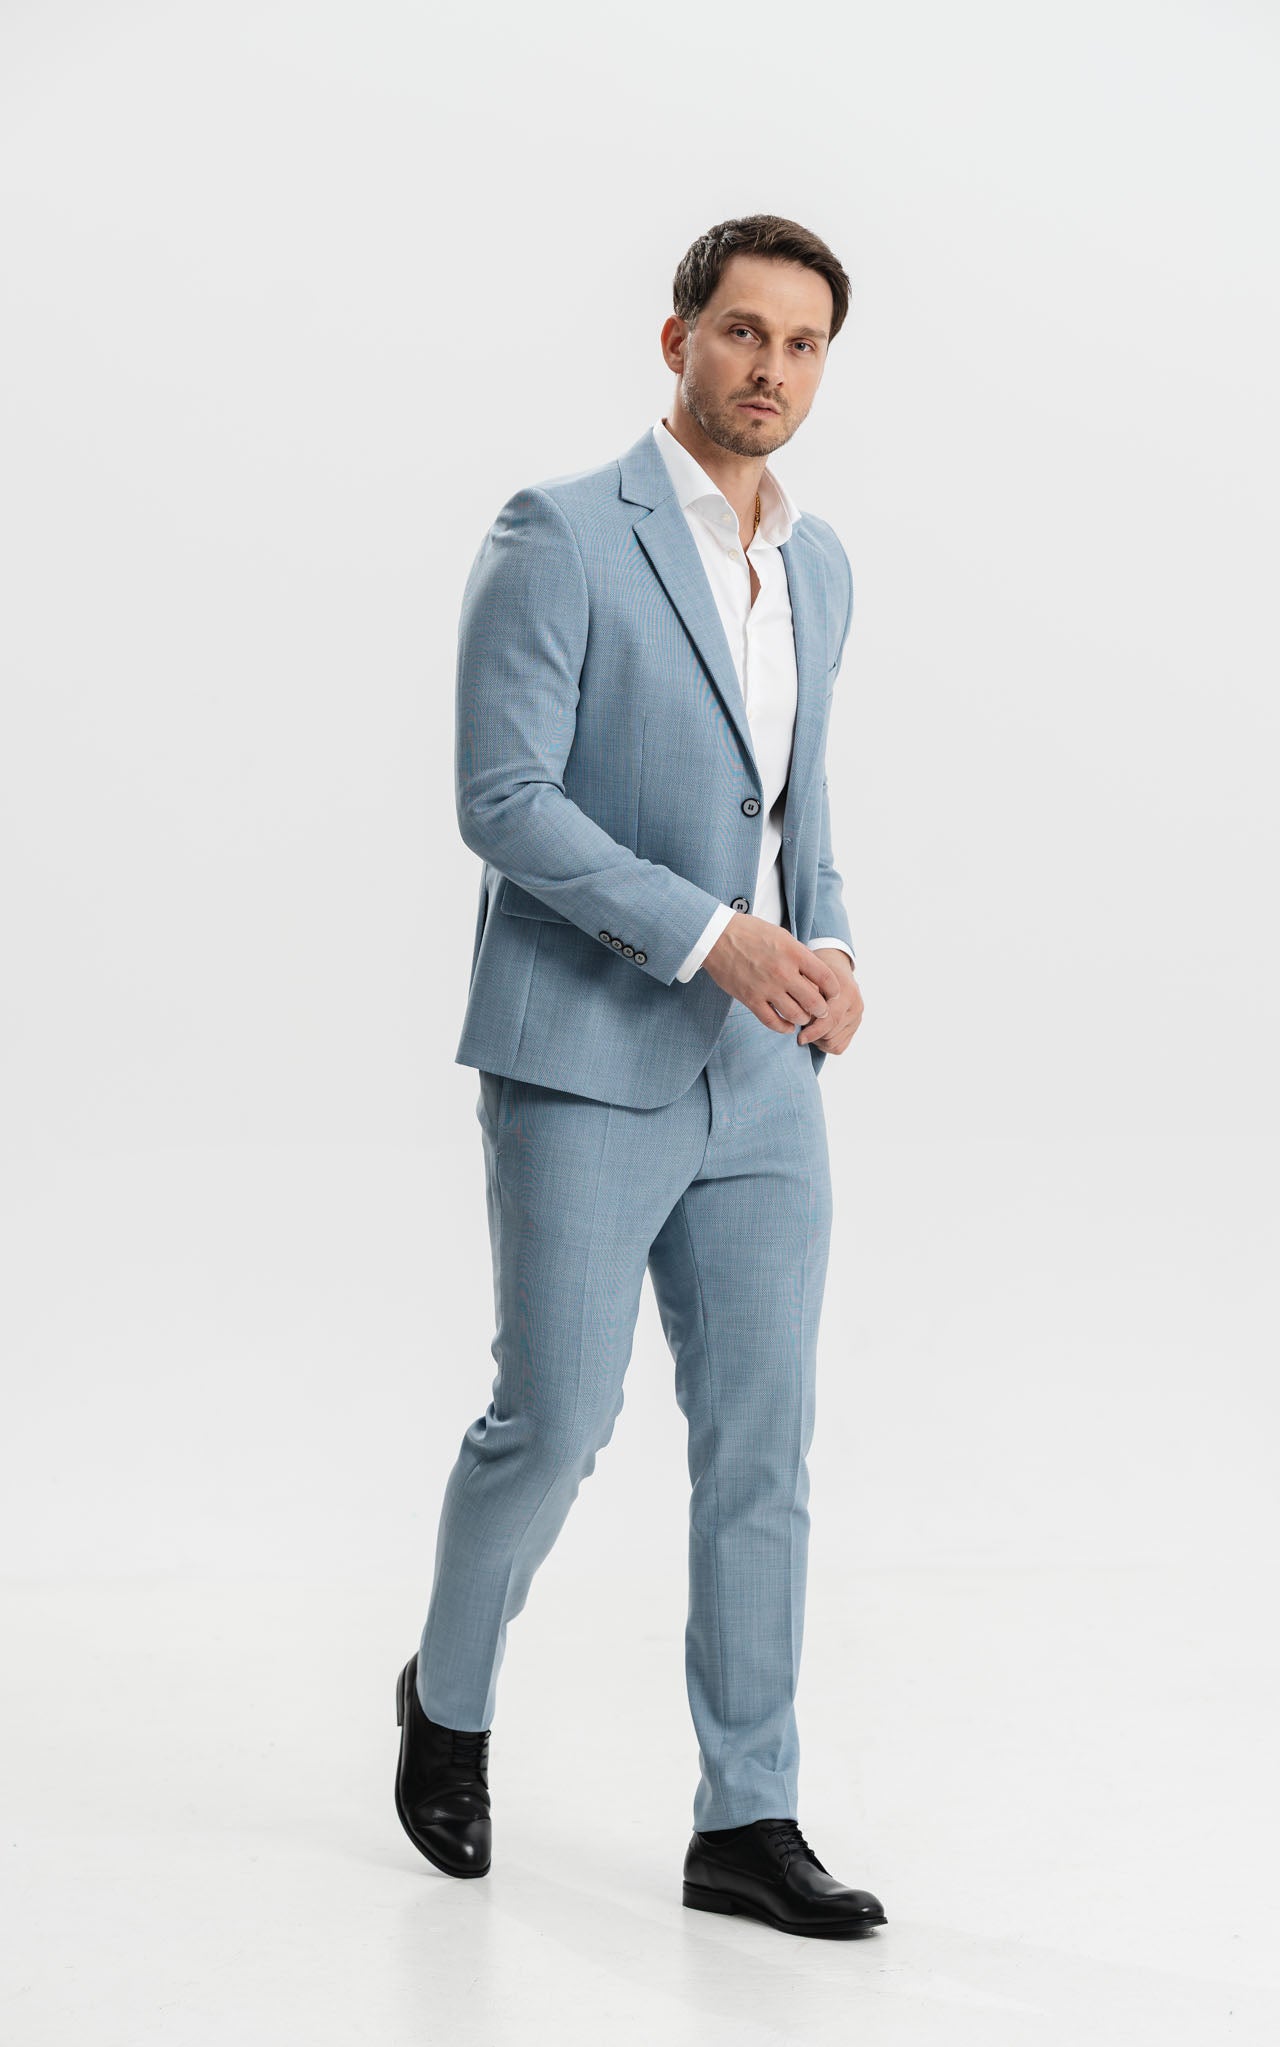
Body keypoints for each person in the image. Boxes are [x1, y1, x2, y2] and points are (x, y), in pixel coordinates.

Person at [394, 213, 886, 1938]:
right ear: (676, 339)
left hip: (764, 1076)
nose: (769, 369)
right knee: (555, 1420)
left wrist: (829, 947)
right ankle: (448, 1702)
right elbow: (503, 800)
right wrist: (709, 937)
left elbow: (796, 805)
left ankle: (744, 1818)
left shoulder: (817, 565)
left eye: (802, 344)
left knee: (762, 1447)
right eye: (742, 332)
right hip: (584, 1052)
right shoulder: (556, 532)